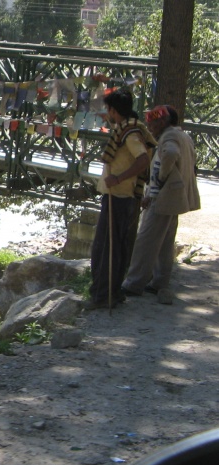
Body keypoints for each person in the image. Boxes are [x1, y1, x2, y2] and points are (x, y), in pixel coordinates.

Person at [121, 105, 201, 305]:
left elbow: (170, 154)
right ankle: (159, 282)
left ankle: (134, 283)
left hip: (164, 196)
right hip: (176, 196)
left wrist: (161, 178)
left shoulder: (169, 137)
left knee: (146, 240)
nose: (150, 127)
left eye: (153, 123)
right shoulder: (183, 136)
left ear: (163, 122)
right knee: (165, 241)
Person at [86, 88, 155, 311]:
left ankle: (102, 295)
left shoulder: (130, 133)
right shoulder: (129, 128)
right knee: (117, 246)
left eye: (109, 110)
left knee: (105, 248)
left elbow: (143, 160)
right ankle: (113, 291)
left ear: (114, 110)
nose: (108, 114)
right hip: (121, 196)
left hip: (119, 195)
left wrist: (118, 178)